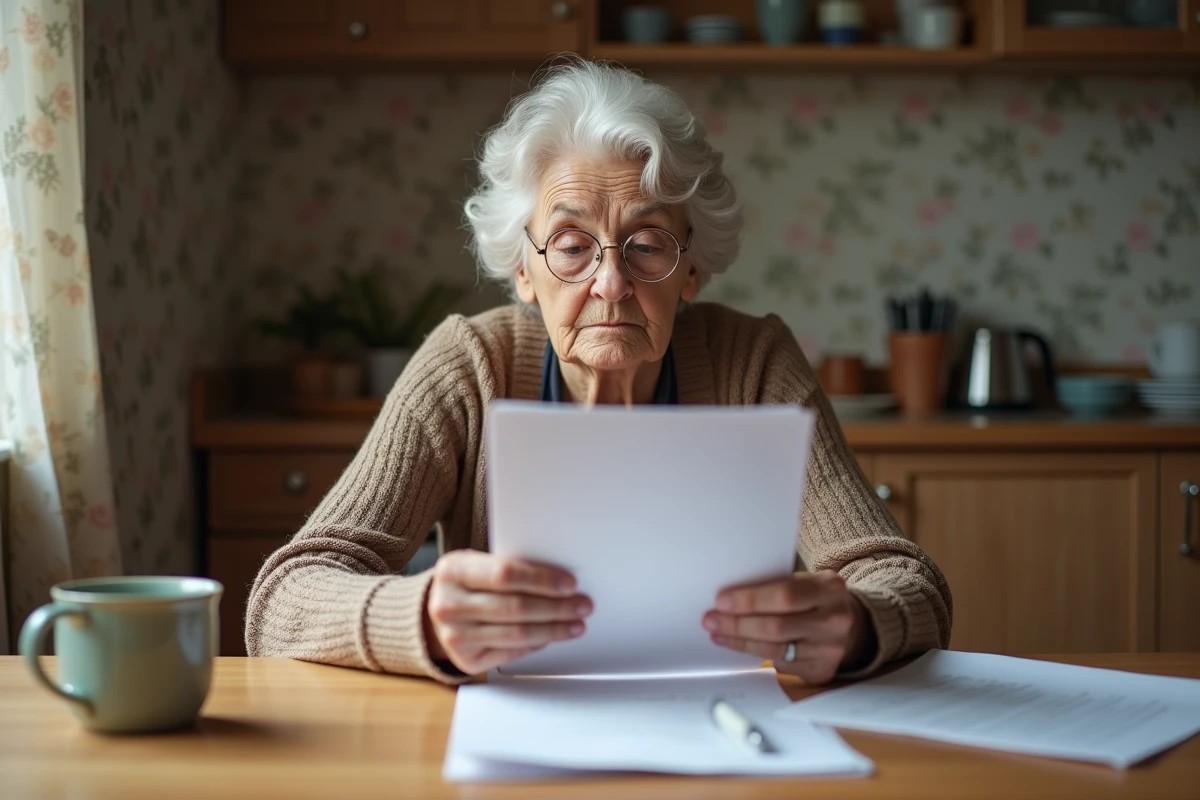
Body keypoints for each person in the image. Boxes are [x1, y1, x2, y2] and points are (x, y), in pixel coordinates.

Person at [245, 60, 952, 686]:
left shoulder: (753, 364)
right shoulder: (470, 367)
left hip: (718, 726)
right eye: (572, 245)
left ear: (692, 268)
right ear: (523, 269)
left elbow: (907, 582)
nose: (611, 282)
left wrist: (859, 622)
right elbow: (281, 599)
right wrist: (423, 616)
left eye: (646, 245)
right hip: (511, 732)